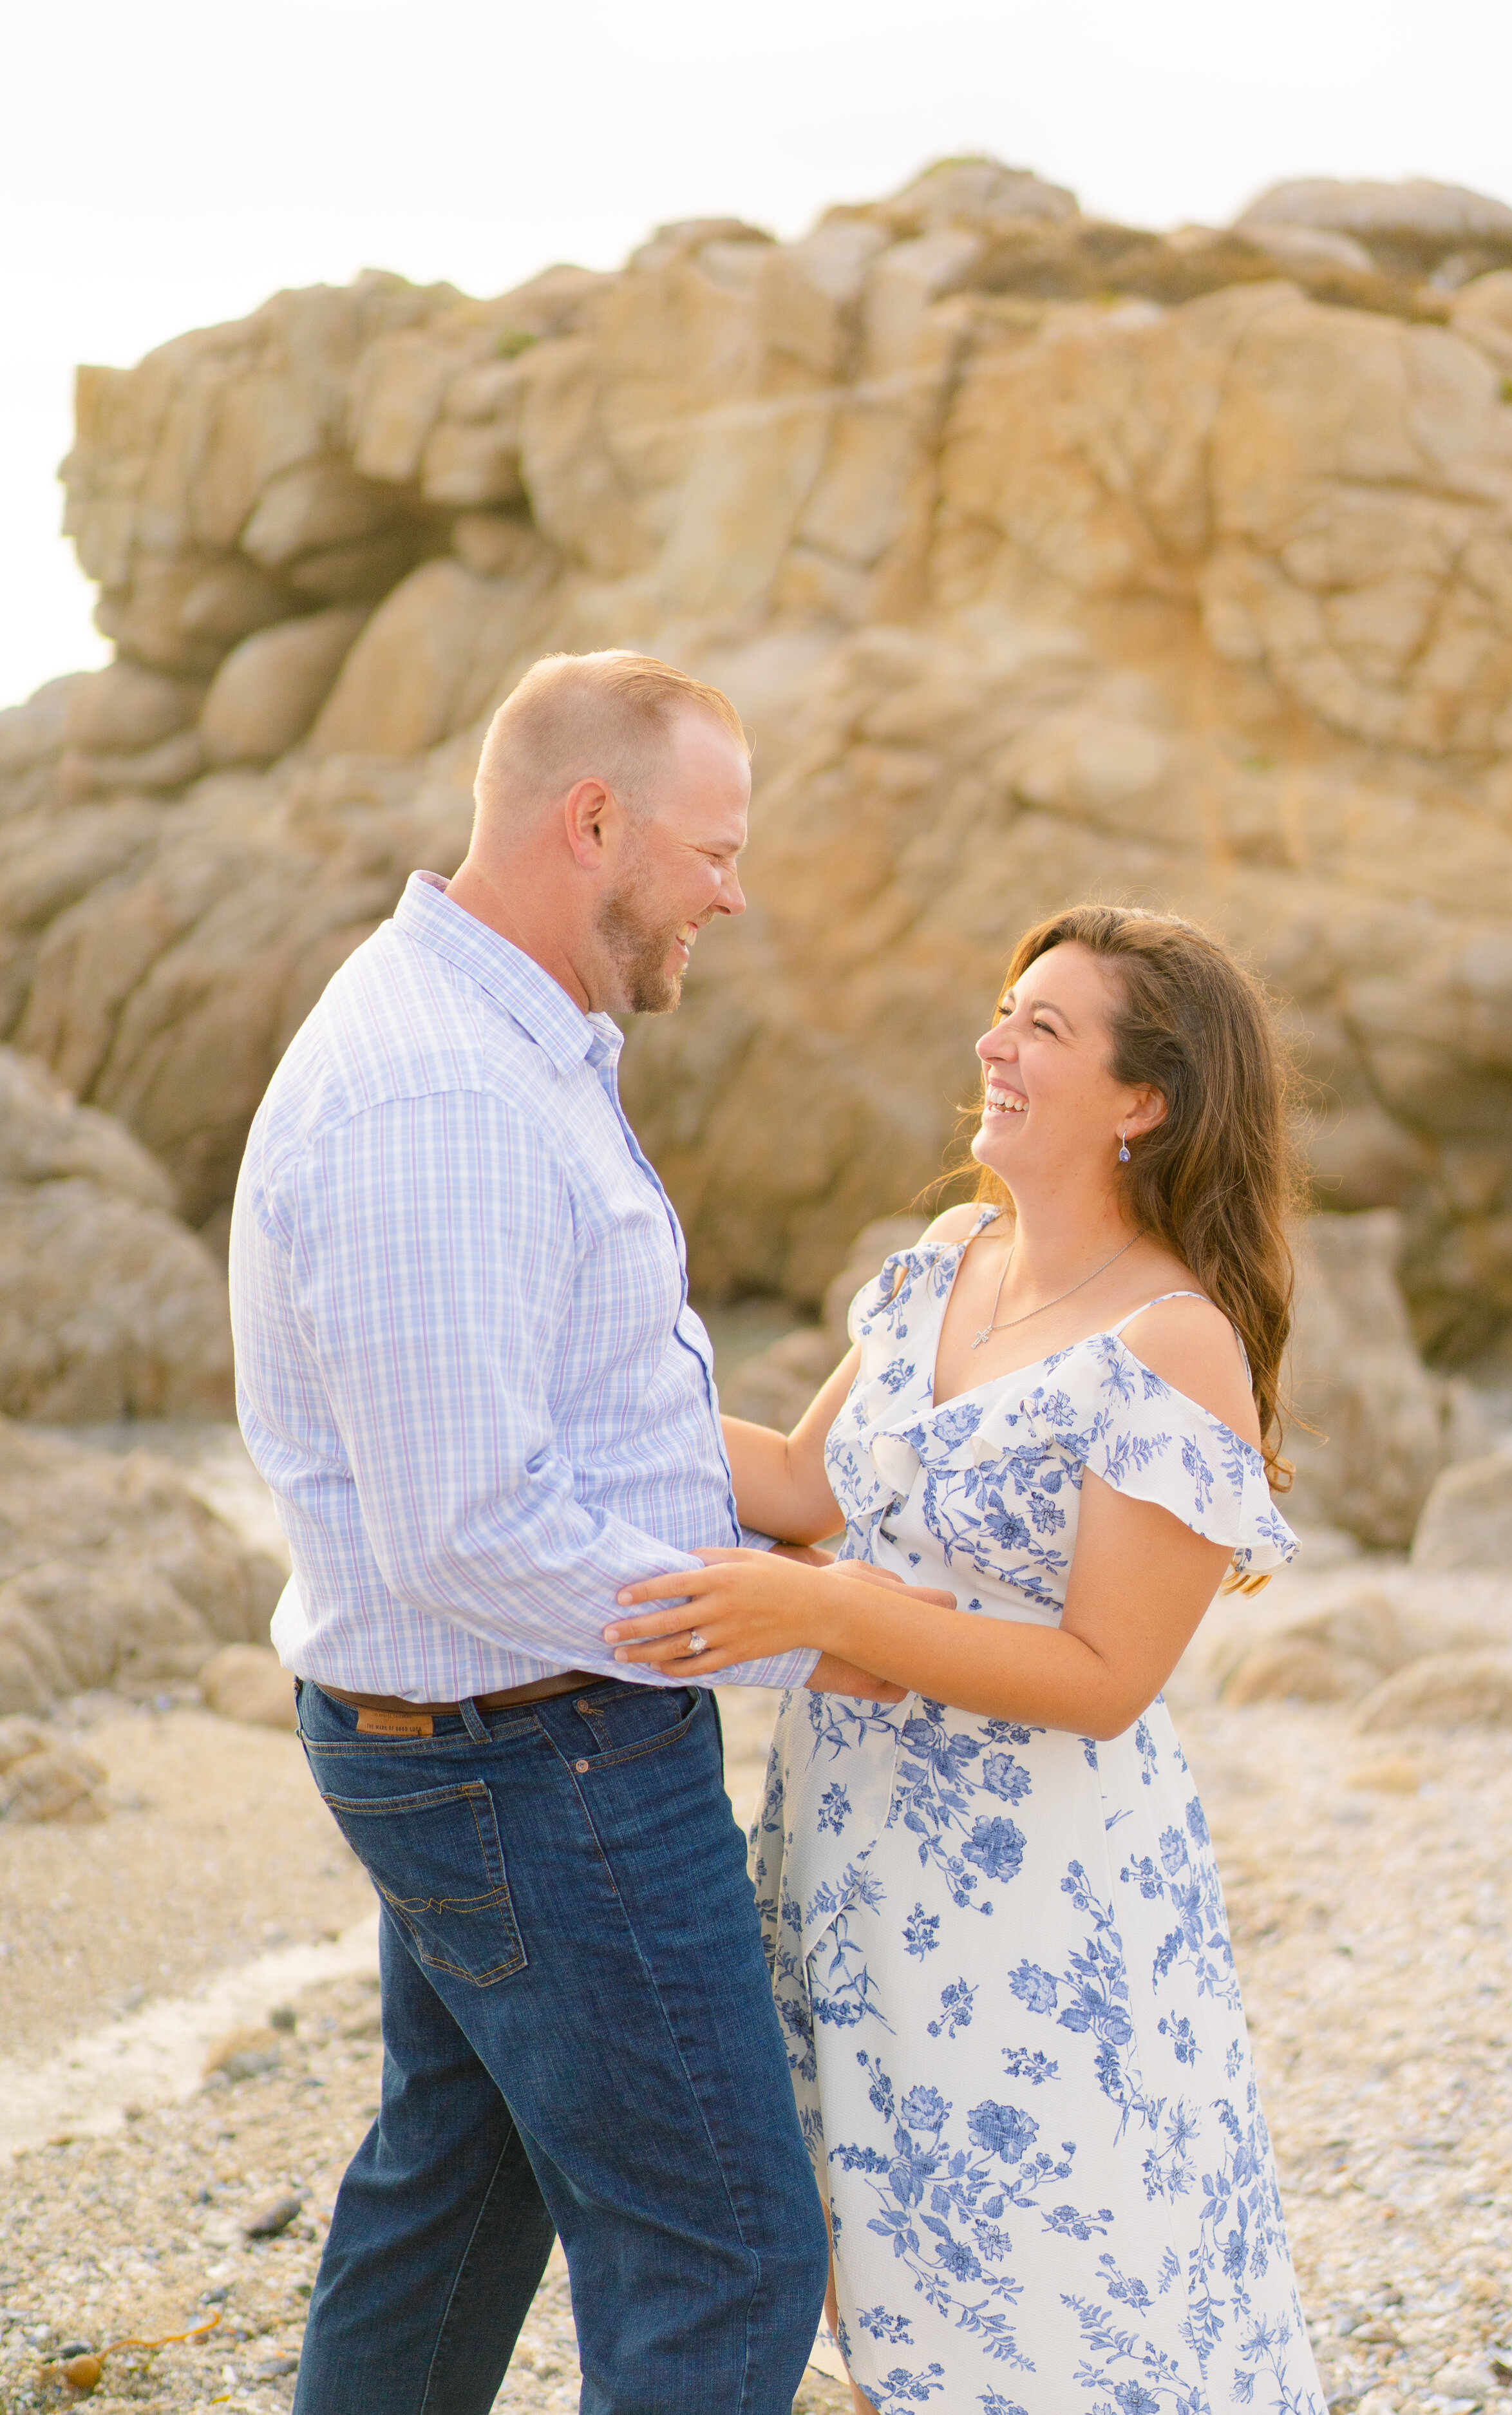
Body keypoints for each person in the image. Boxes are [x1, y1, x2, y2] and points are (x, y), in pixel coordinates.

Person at [229, 649, 924, 2415]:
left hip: (490, 1742)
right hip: (535, 1755)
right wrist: (783, 1610)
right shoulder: (440, 1088)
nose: (731, 890)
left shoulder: (514, 1041)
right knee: (730, 2249)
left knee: (453, 2201)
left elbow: (561, 1413)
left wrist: (838, 1439)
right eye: (712, 845)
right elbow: (471, 1521)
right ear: (591, 817)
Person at [606, 905, 1328, 2415]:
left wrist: (823, 1617)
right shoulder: (944, 1257)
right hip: (850, 1862)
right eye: (1006, 1012)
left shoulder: (1173, 1342)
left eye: (1043, 1028)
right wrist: (568, 1400)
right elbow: (806, 1489)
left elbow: (1102, 1674)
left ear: (1145, 1101)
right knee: (893, 2298)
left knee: (1057, 2307)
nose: (992, 1046)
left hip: (1042, 1904)